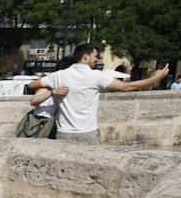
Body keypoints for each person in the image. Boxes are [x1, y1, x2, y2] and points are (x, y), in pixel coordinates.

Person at [33, 44, 169, 143]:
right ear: (85, 57)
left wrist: (52, 90)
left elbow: (32, 84)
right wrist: (155, 79)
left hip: (64, 133)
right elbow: (126, 87)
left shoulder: (59, 75)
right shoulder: (96, 76)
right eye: (95, 56)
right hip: (87, 133)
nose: (97, 59)